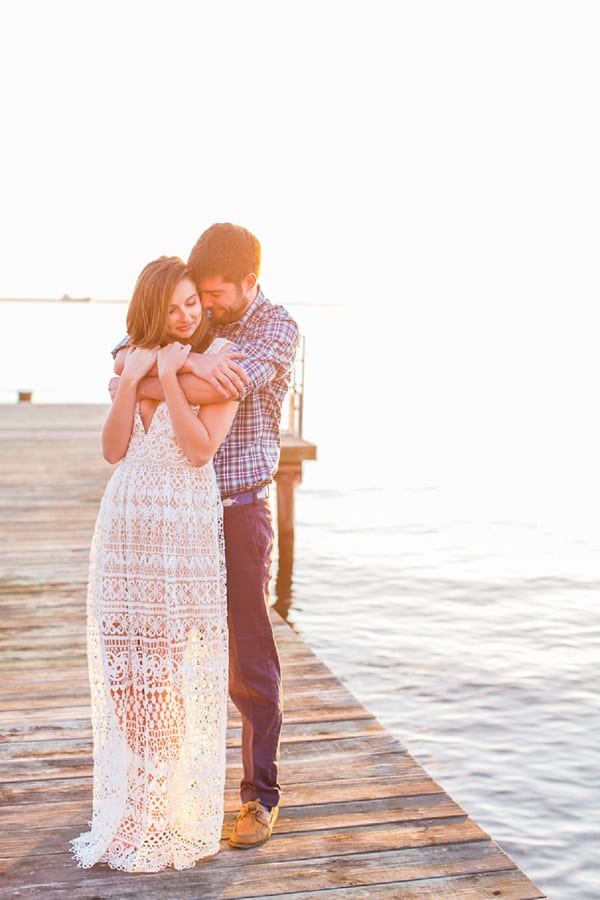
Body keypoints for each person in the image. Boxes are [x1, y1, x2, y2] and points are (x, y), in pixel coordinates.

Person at [113, 223, 300, 848]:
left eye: (216, 294)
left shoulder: (277, 327)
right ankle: (156, 789)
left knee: (249, 658)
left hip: (239, 510)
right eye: (201, 295)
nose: (206, 305)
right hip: (176, 517)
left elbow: (220, 385)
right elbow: (123, 355)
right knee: (160, 653)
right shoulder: (201, 320)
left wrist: (154, 372)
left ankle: (259, 796)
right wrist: (170, 361)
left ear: (250, 281)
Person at [71, 256, 239, 873]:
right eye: (172, 307)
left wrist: (168, 375)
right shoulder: (133, 359)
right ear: (150, 310)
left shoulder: (221, 359)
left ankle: (154, 809)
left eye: (193, 302)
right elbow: (115, 449)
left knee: (162, 675)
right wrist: (136, 377)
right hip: (123, 533)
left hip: (178, 541)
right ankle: (138, 801)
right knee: (124, 676)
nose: (186, 315)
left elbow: (199, 452)